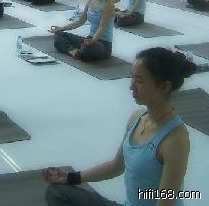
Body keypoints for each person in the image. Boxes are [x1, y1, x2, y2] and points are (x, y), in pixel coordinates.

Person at [44, 47, 195, 206]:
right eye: (132, 77)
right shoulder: (137, 117)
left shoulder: (175, 140)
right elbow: (116, 166)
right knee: (57, 192)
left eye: (139, 81)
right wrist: (70, 177)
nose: (131, 86)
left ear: (164, 87)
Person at [51, 0, 115, 62]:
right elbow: (80, 21)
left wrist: (92, 41)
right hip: (89, 40)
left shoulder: (108, 4)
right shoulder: (90, 2)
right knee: (58, 35)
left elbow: (102, 28)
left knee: (87, 50)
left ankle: (78, 51)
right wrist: (62, 28)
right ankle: (72, 51)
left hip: (103, 44)